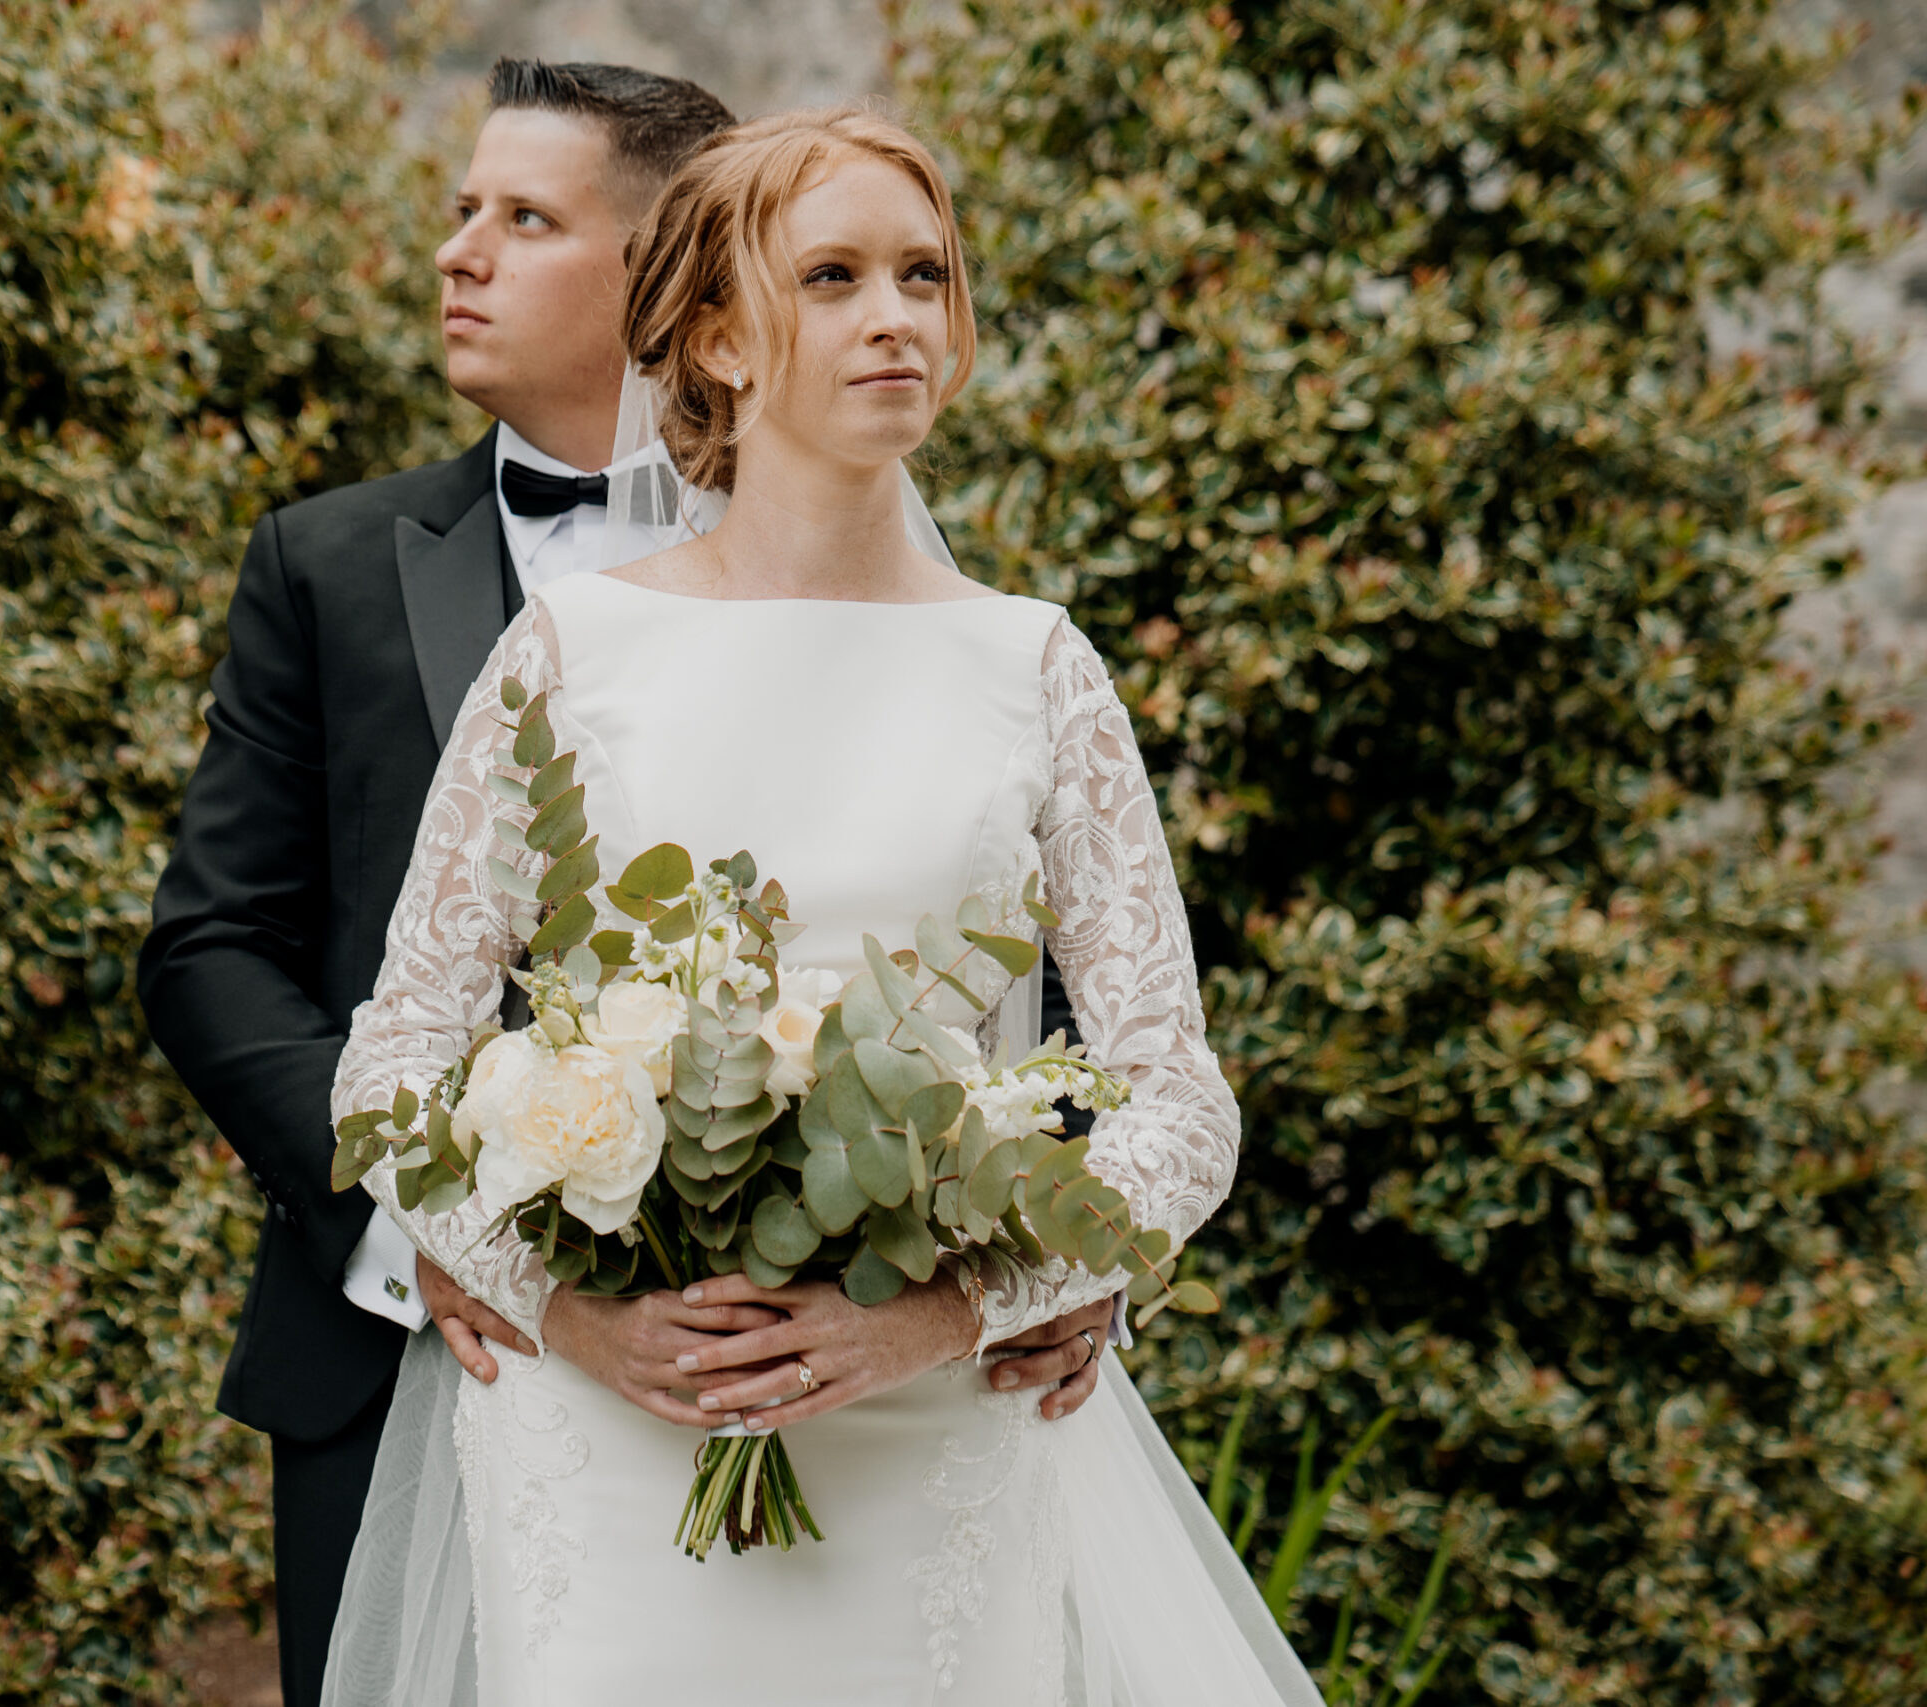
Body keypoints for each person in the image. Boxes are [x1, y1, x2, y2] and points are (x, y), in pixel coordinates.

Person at [139, 63, 1118, 1707]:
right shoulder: (327, 564)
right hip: (403, 1342)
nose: (460, 252)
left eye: (523, 219)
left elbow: (1069, 1000)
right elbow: (212, 948)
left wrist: (1047, 1268)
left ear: (677, 270)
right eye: (465, 211)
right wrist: (446, 1236)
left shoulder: (967, 639)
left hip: (885, 1373)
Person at [319, 109, 1322, 1704]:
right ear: (714, 339)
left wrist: (970, 1302)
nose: (897, 318)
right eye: (836, 276)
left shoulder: (1038, 671)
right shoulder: (570, 657)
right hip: (609, 1429)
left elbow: (1176, 1091)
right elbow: (393, 1063)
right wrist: (564, 1310)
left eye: (924, 275)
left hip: (933, 1431)